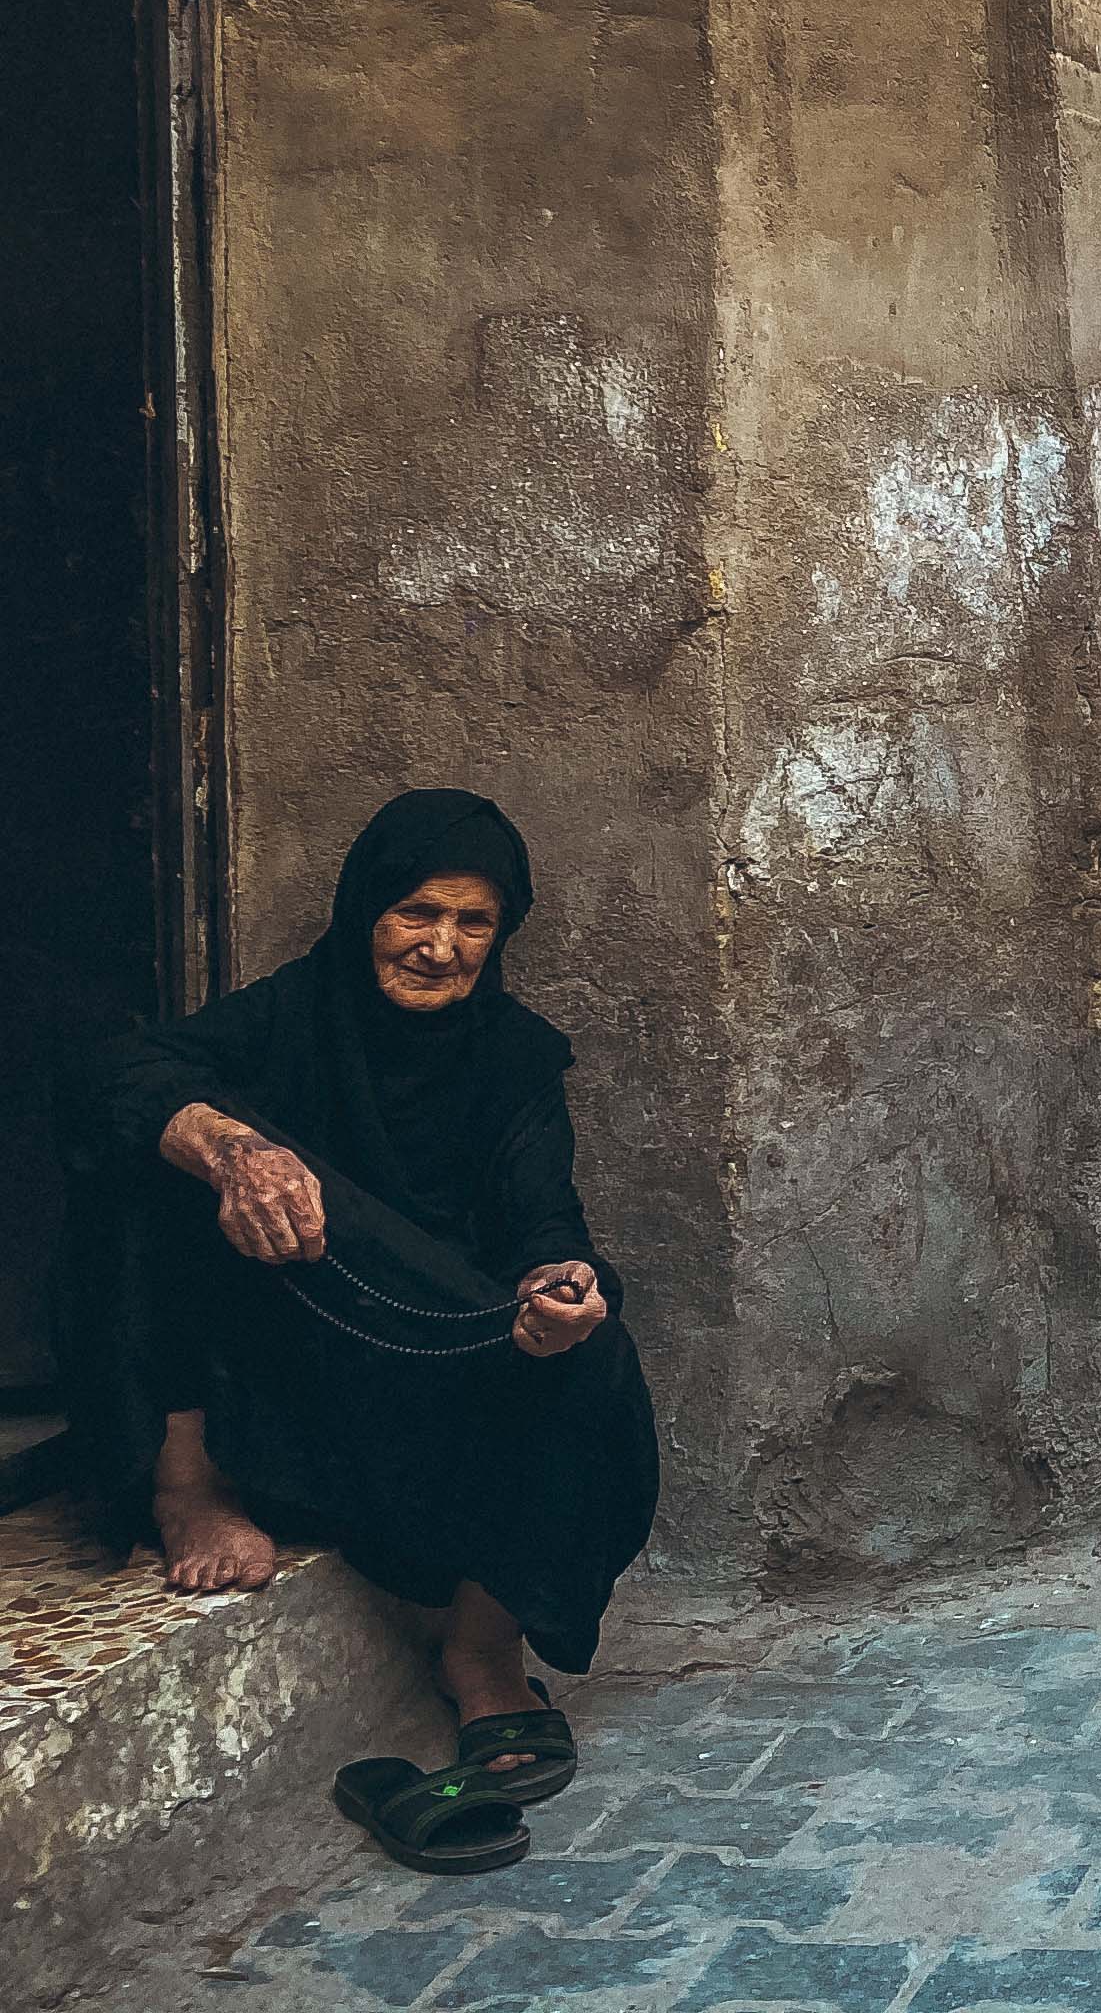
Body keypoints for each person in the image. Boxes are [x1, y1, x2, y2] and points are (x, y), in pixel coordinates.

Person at [71, 790, 660, 1870]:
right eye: (415, 913)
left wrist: (556, 1292)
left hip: (428, 1353)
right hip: (284, 1364)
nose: (440, 947)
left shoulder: (516, 1059)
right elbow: (118, 1071)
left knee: (599, 1354)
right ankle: (186, 1485)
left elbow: (545, 1220)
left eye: (473, 923)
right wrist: (229, 1149)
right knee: (159, 1152)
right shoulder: (285, 1019)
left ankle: (482, 1654)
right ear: (363, 910)